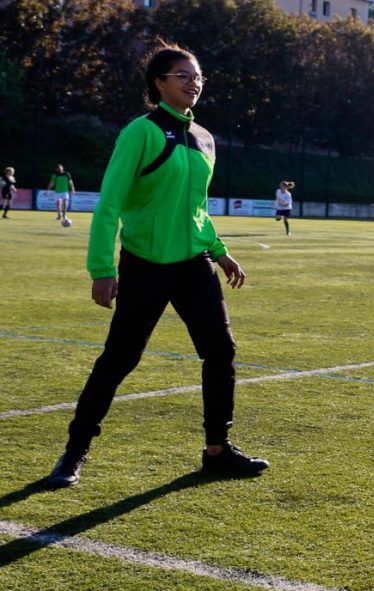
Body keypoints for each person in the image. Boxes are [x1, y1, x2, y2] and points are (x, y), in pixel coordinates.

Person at [45, 41, 269, 489]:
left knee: (221, 351)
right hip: (145, 265)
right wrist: (101, 269)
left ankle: (217, 450)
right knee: (119, 359)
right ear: (159, 83)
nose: (194, 83)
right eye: (183, 75)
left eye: (198, 76)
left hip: (194, 263)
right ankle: (73, 453)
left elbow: (197, 209)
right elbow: (110, 203)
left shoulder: (204, 138)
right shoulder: (141, 132)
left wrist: (220, 250)